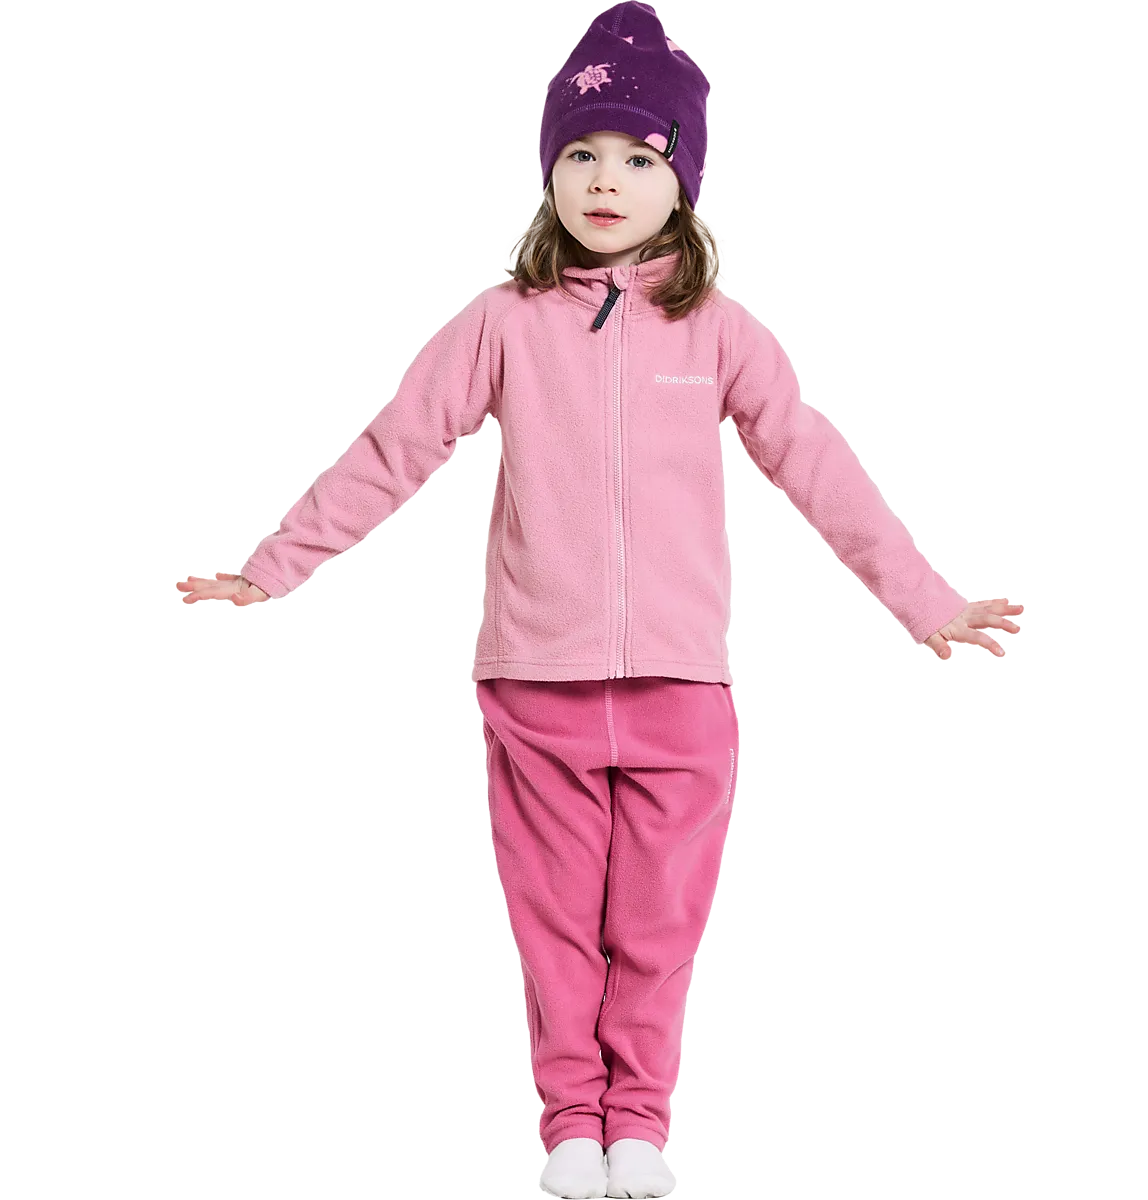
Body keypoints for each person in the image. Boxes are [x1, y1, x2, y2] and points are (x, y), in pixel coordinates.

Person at [175, 3, 1021, 1196]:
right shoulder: (501, 321)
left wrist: (925, 601)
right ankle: (572, 1124)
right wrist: (271, 567)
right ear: (548, 173)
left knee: (659, 931)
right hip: (538, 680)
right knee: (557, 928)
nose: (606, 180)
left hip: (681, 684)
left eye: (637, 155)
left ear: (683, 179)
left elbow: (818, 465)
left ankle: (643, 1127)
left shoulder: (718, 328)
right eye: (580, 153)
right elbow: (393, 449)